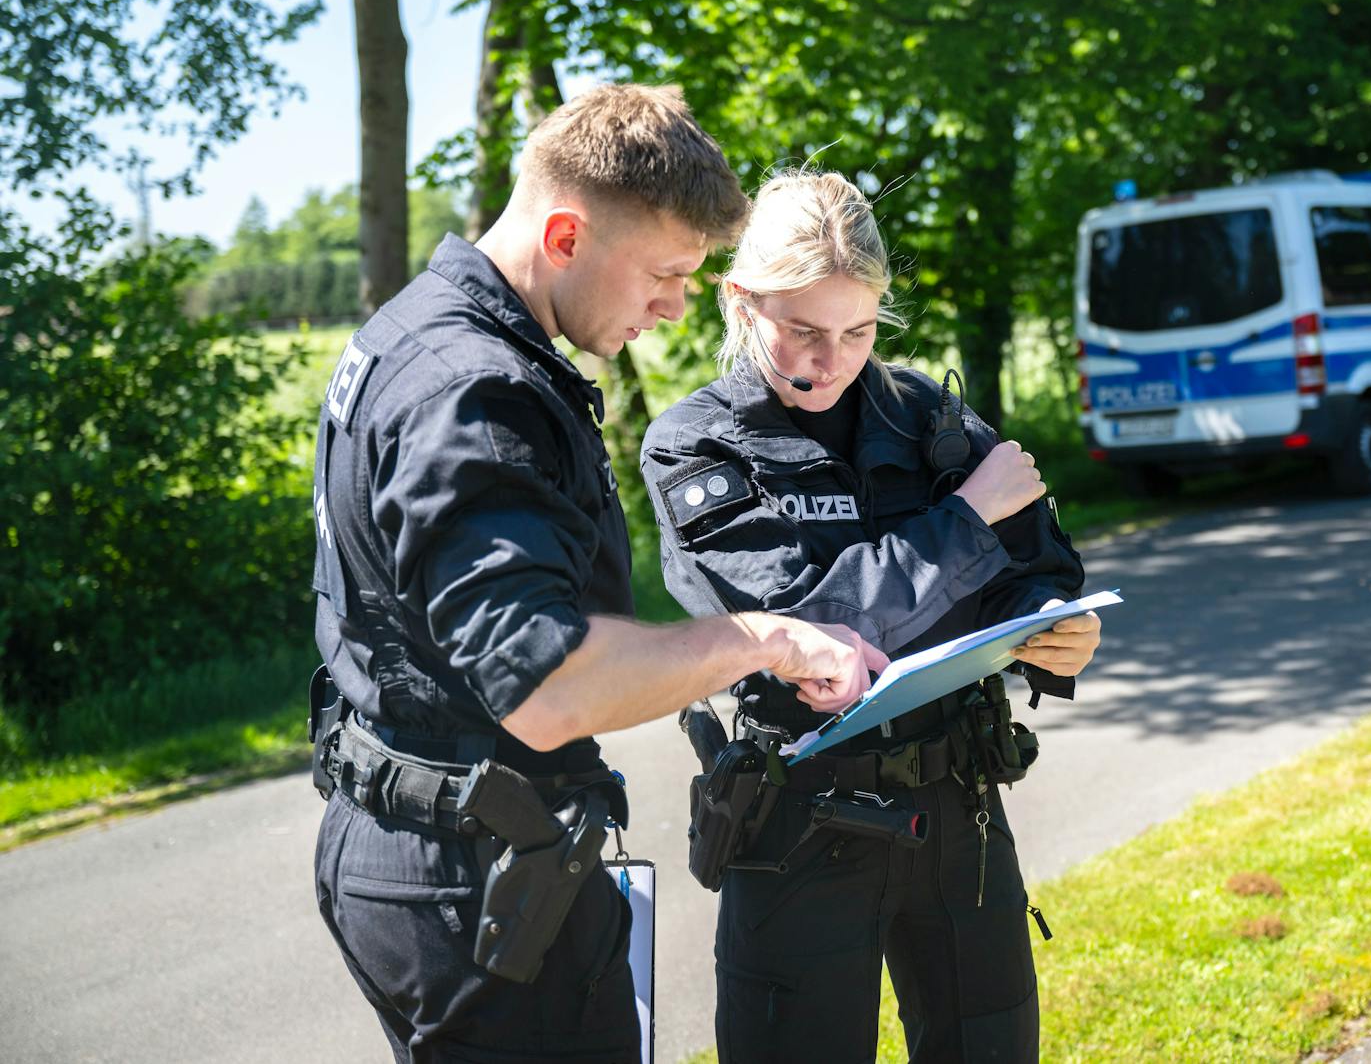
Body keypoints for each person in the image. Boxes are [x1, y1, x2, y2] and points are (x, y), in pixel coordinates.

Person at [309, 86, 885, 1064]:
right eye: (662, 272)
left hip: (432, 841)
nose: (672, 304)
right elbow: (545, 684)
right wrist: (768, 637)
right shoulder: (473, 394)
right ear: (566, 234)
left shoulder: (417, 329)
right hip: (472, 875)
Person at [640, 168, 1104, 1063]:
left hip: (956, 803)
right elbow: (814, 627)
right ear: (740, 300)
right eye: (803, 330)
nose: (831, 359)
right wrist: (967, 517)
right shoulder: (696, 445)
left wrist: (1055, 624)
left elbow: (1036, 565)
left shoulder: (927, 415)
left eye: (857, 330)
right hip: (798, 818)